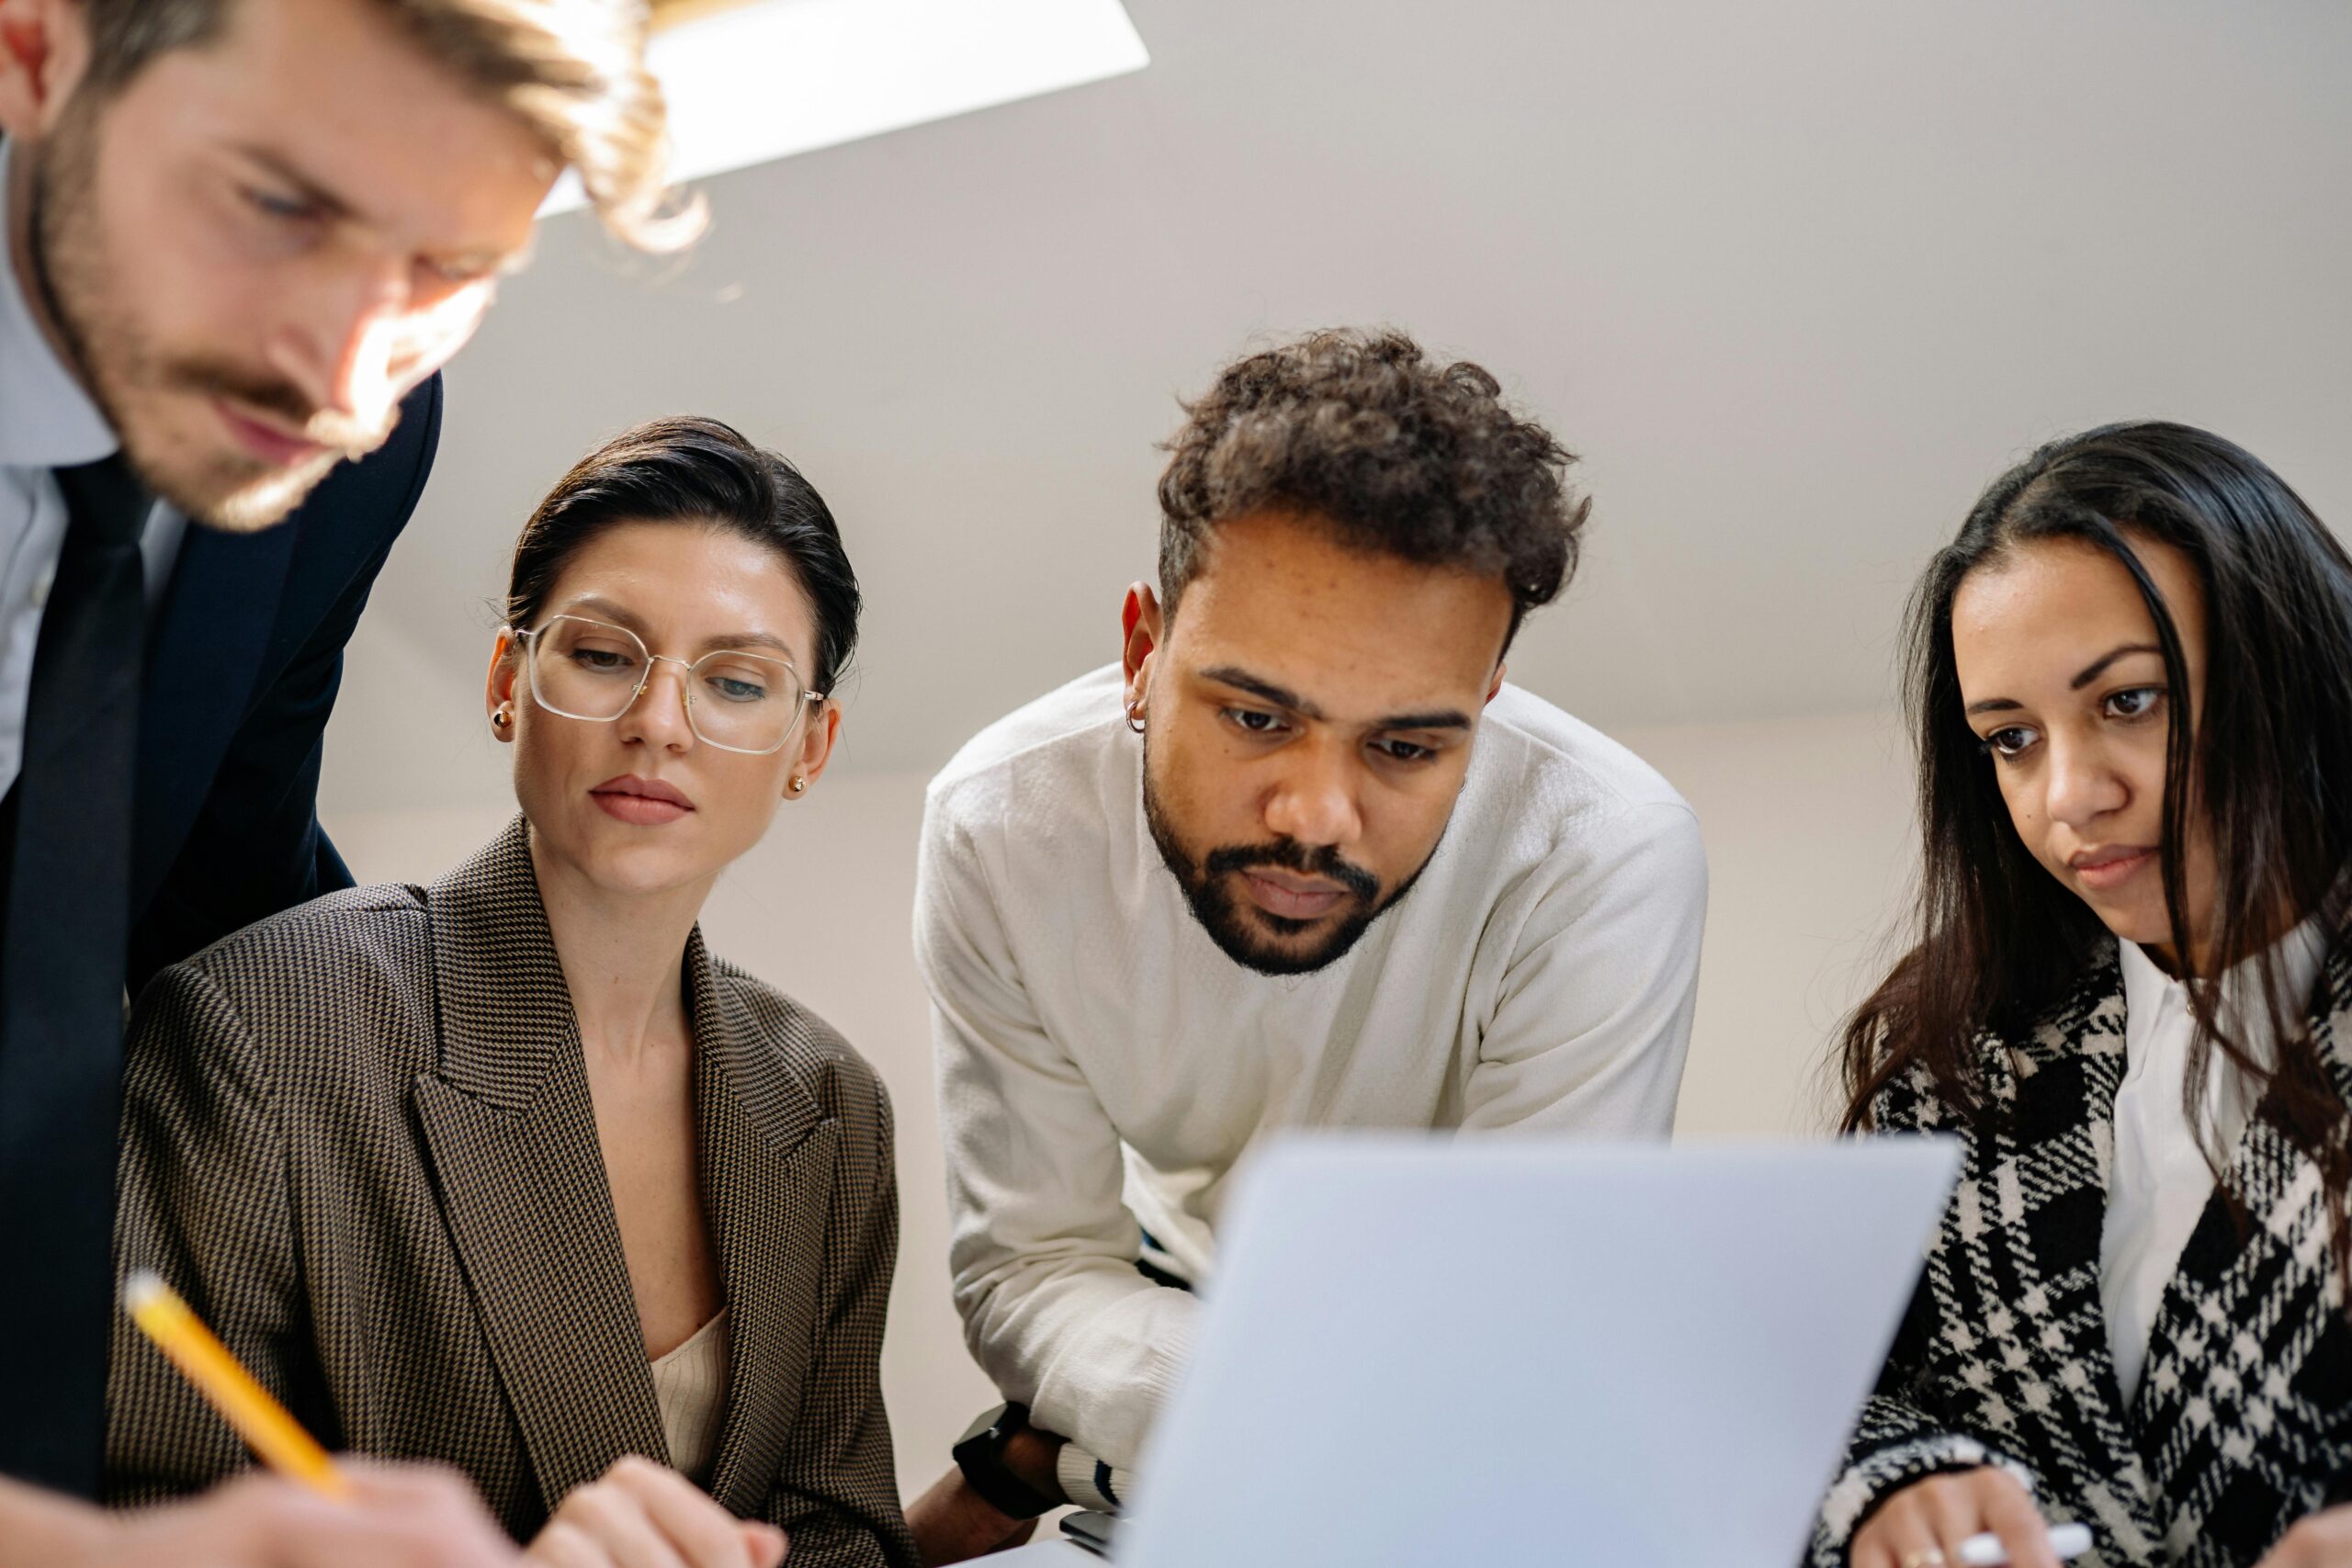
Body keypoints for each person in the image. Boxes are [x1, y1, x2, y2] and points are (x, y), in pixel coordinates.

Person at [0, 0, 694, 1533]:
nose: (345, 368)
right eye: (277, 206)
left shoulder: (357, 435)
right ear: (39, 49)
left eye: (451, 268)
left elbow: (213, 859)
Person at [906, 328, 1709, 1561]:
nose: (1316, 816)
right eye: (1255, 714)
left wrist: (1054, 1447)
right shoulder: (1006, 824)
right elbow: (1032, 1270)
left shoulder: (1602, 853)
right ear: (1141, 651)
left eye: (1405, 746)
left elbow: (1513, 1345)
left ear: (1485, 701)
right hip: (1180, 1376)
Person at [102, 418, 919, 1568]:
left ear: (809, 746)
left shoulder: (831, 1102)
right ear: (507, 682)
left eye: (736, 681)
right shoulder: (260, 1028)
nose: (657, 723)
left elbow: (841, 1534)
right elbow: (135, 1518)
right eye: (600, 655)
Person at [1817, 423, 2352, 1568]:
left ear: (2295, 675)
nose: (2069, 796)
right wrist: (1889, 1490)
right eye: (2010, 739)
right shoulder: (1954, 1063)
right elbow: (1827, 1391)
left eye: (2129, 703)